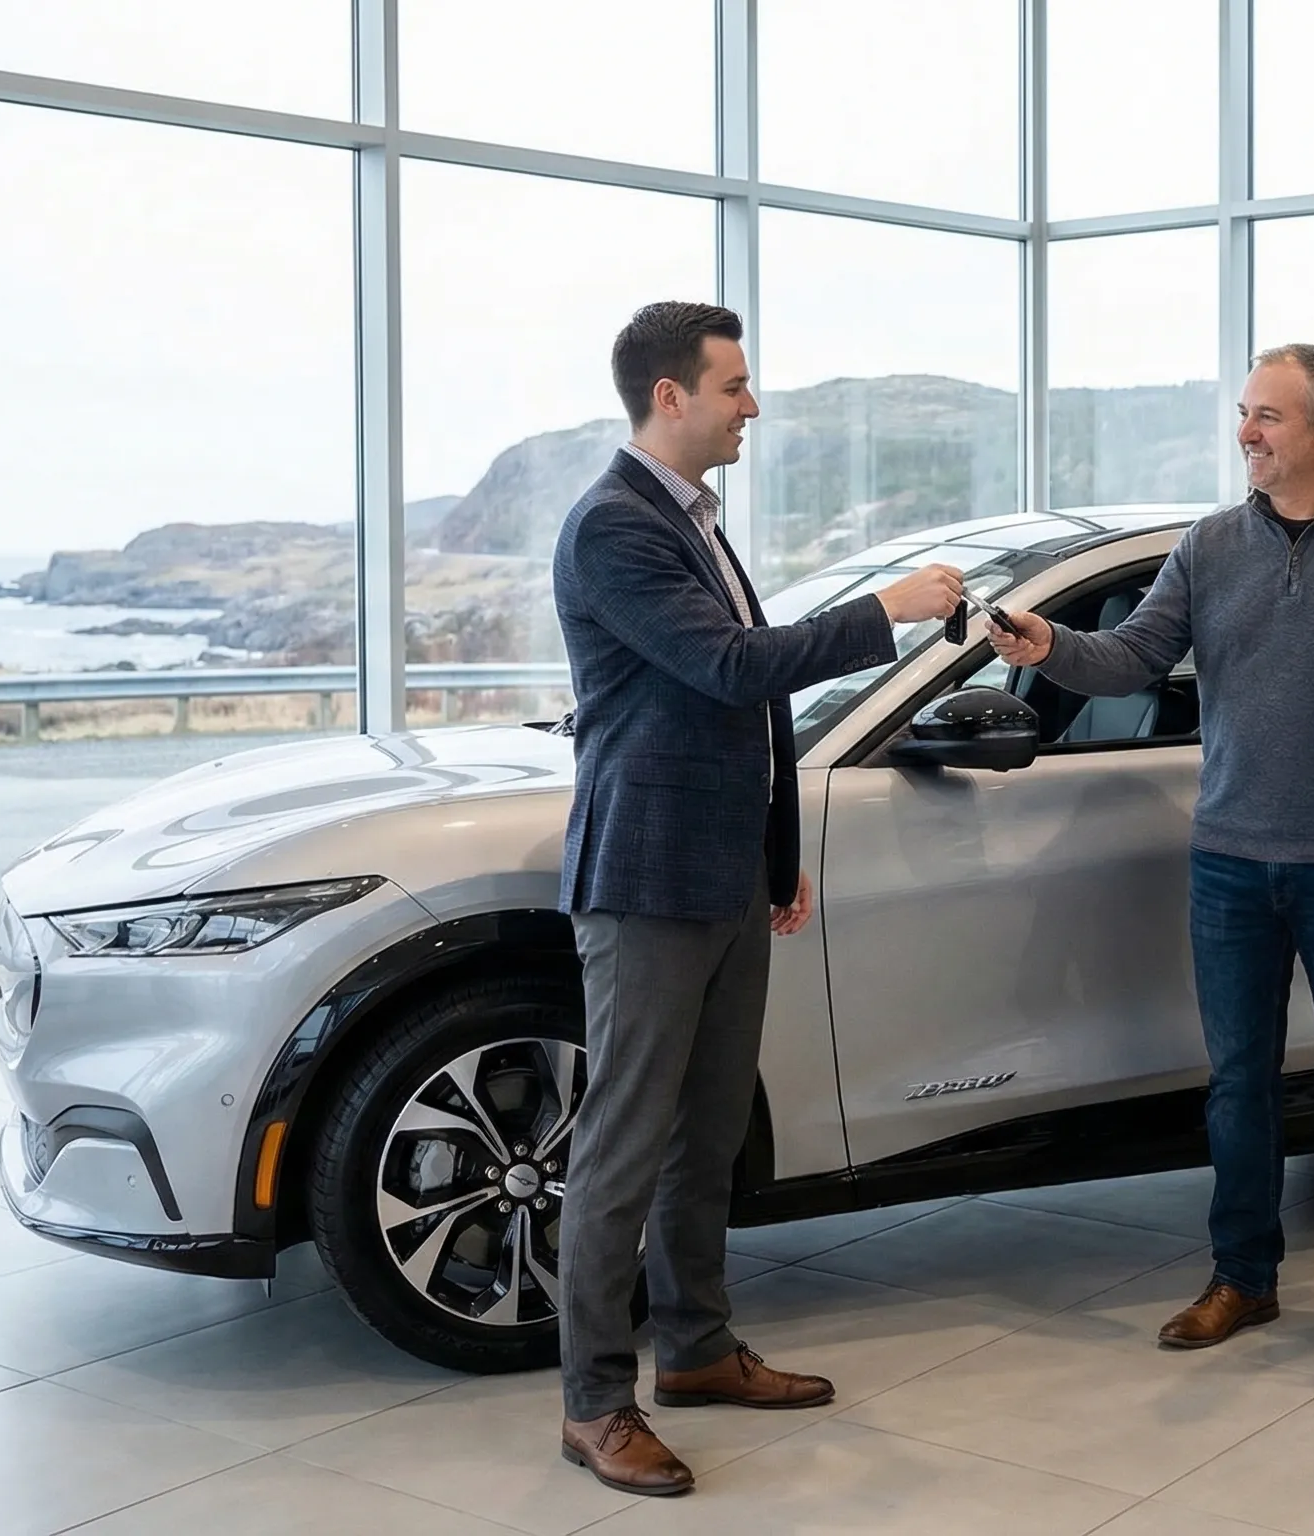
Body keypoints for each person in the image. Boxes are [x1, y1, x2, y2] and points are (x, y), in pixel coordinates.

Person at [550, 301, 965, 1496]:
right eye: (732, 385)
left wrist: (777, 857)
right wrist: (883, 611)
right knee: (623, 1144)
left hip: (724, 872)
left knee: (708, 1132)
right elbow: (732, 667)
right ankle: (592, 1402)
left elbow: (748, 718)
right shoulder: (610, 528)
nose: (751, 405)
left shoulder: (694, 523)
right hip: (643, 879)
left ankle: (694, 1349)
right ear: (667, 397)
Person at [987, 344, 1314, 1365]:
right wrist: (1052, 648)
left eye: (1266, 416)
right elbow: (1133, 652)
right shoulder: (1210, 545)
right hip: (1228, 859)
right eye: (1241, 412)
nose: (1245, 433)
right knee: (1237, 1085)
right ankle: (1242, 1279)